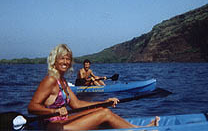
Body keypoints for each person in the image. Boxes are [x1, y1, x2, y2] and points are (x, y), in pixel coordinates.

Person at [27, 44, 159, 130]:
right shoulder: (50, 80)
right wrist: (53, 112)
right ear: (54, 60)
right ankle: (139, 130)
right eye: (62, 58)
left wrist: (104, 102)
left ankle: (135, 128)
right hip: (52, 127)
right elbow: (32, 107)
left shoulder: (63, 81)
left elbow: (77, 104)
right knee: (104, 114)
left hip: (62, 121)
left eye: (68, 59)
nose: (66, 62)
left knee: (103, 110)